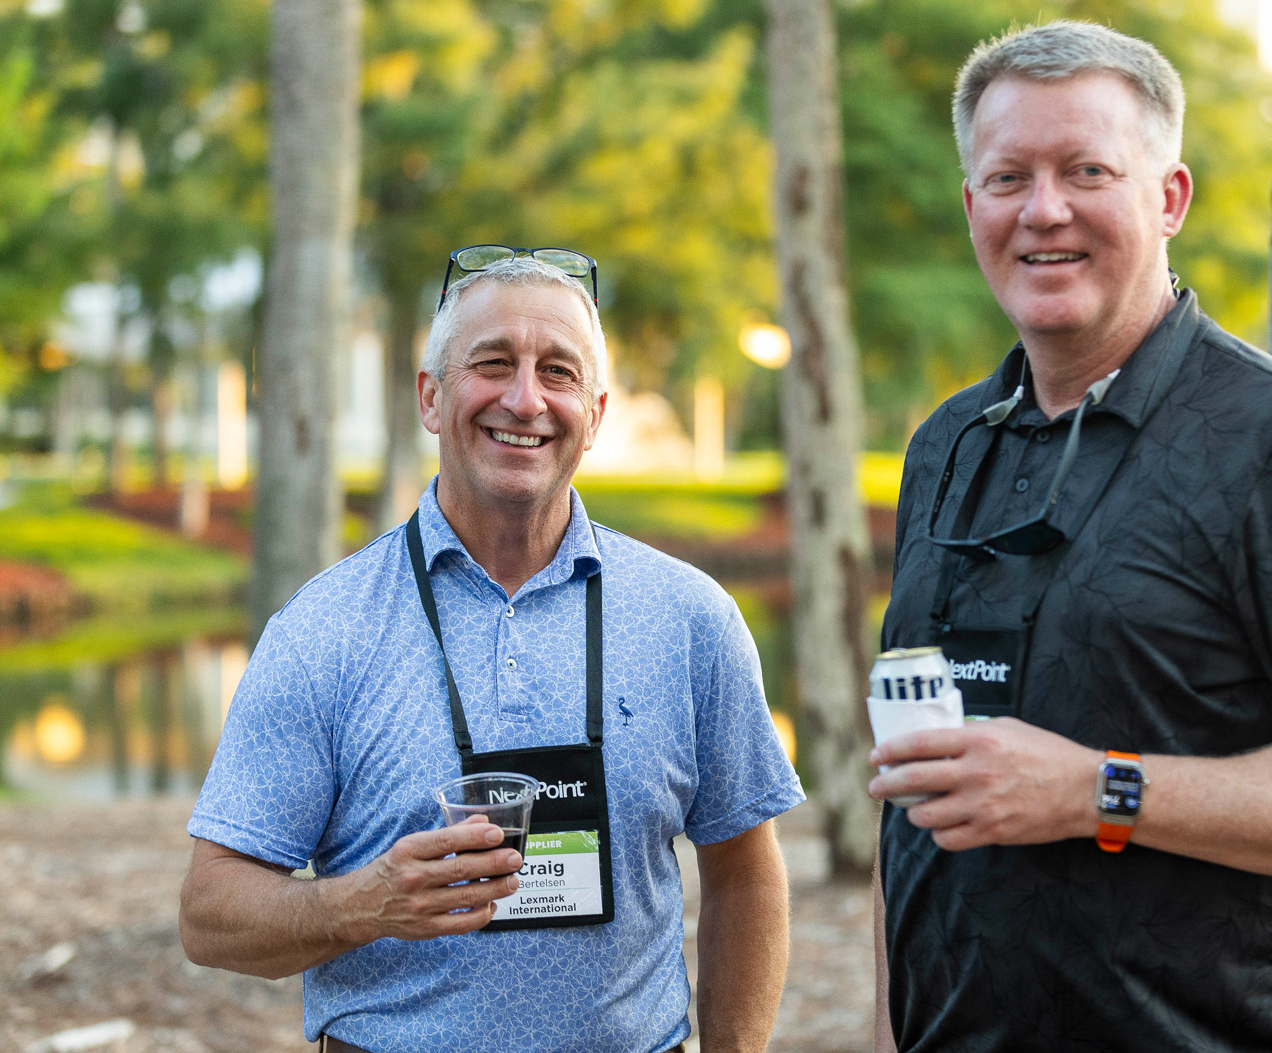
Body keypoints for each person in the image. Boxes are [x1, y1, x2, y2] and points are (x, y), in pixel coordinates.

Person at [867, 20, 1272, 1052]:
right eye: (1008, 177)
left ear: (1169, 197)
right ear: (972, 206)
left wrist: (1096, 792)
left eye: (1087, 170)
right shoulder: (947, 445)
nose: (1043, 209)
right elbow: (917, 803)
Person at [179, 255, 804, 1053]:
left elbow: (745, 871)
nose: (525, 400)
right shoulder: (323, 630)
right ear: (430, 397)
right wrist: (362, 903)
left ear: (595, 414)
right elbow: (210, 915)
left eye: (558, 372)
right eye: (493, 363)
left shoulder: (690, 618)